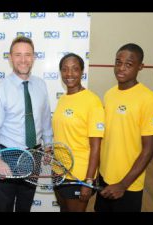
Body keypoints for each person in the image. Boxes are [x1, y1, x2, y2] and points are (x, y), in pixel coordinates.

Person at [0, 36, 53, 212]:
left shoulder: (41, 85)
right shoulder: (0, 90)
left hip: (34, 154)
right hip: (7, 156)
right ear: (10, 57)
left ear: (34, 57)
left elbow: (45, 119)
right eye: (18, 55)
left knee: (25, 205)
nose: (23, 60)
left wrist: (48, 145)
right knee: (4, 207)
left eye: (27, 55)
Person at [94, 43, 153, 212]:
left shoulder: (150, 100)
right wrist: (98, 174)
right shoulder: (109, 94)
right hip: (104, 177)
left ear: (140, 66)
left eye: (129, 64)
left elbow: (149, 150)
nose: (121, 68)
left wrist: (123, 184)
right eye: (118, 62)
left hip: (128, 184)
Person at [52, 53, 105, 212]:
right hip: (59, 171)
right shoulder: (63, 99)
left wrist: (88, 181)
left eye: (75, 69)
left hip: (79, 175)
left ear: (82, 71)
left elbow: (96, 146)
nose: (69, 74)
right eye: (65, 69)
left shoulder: (92, 101)